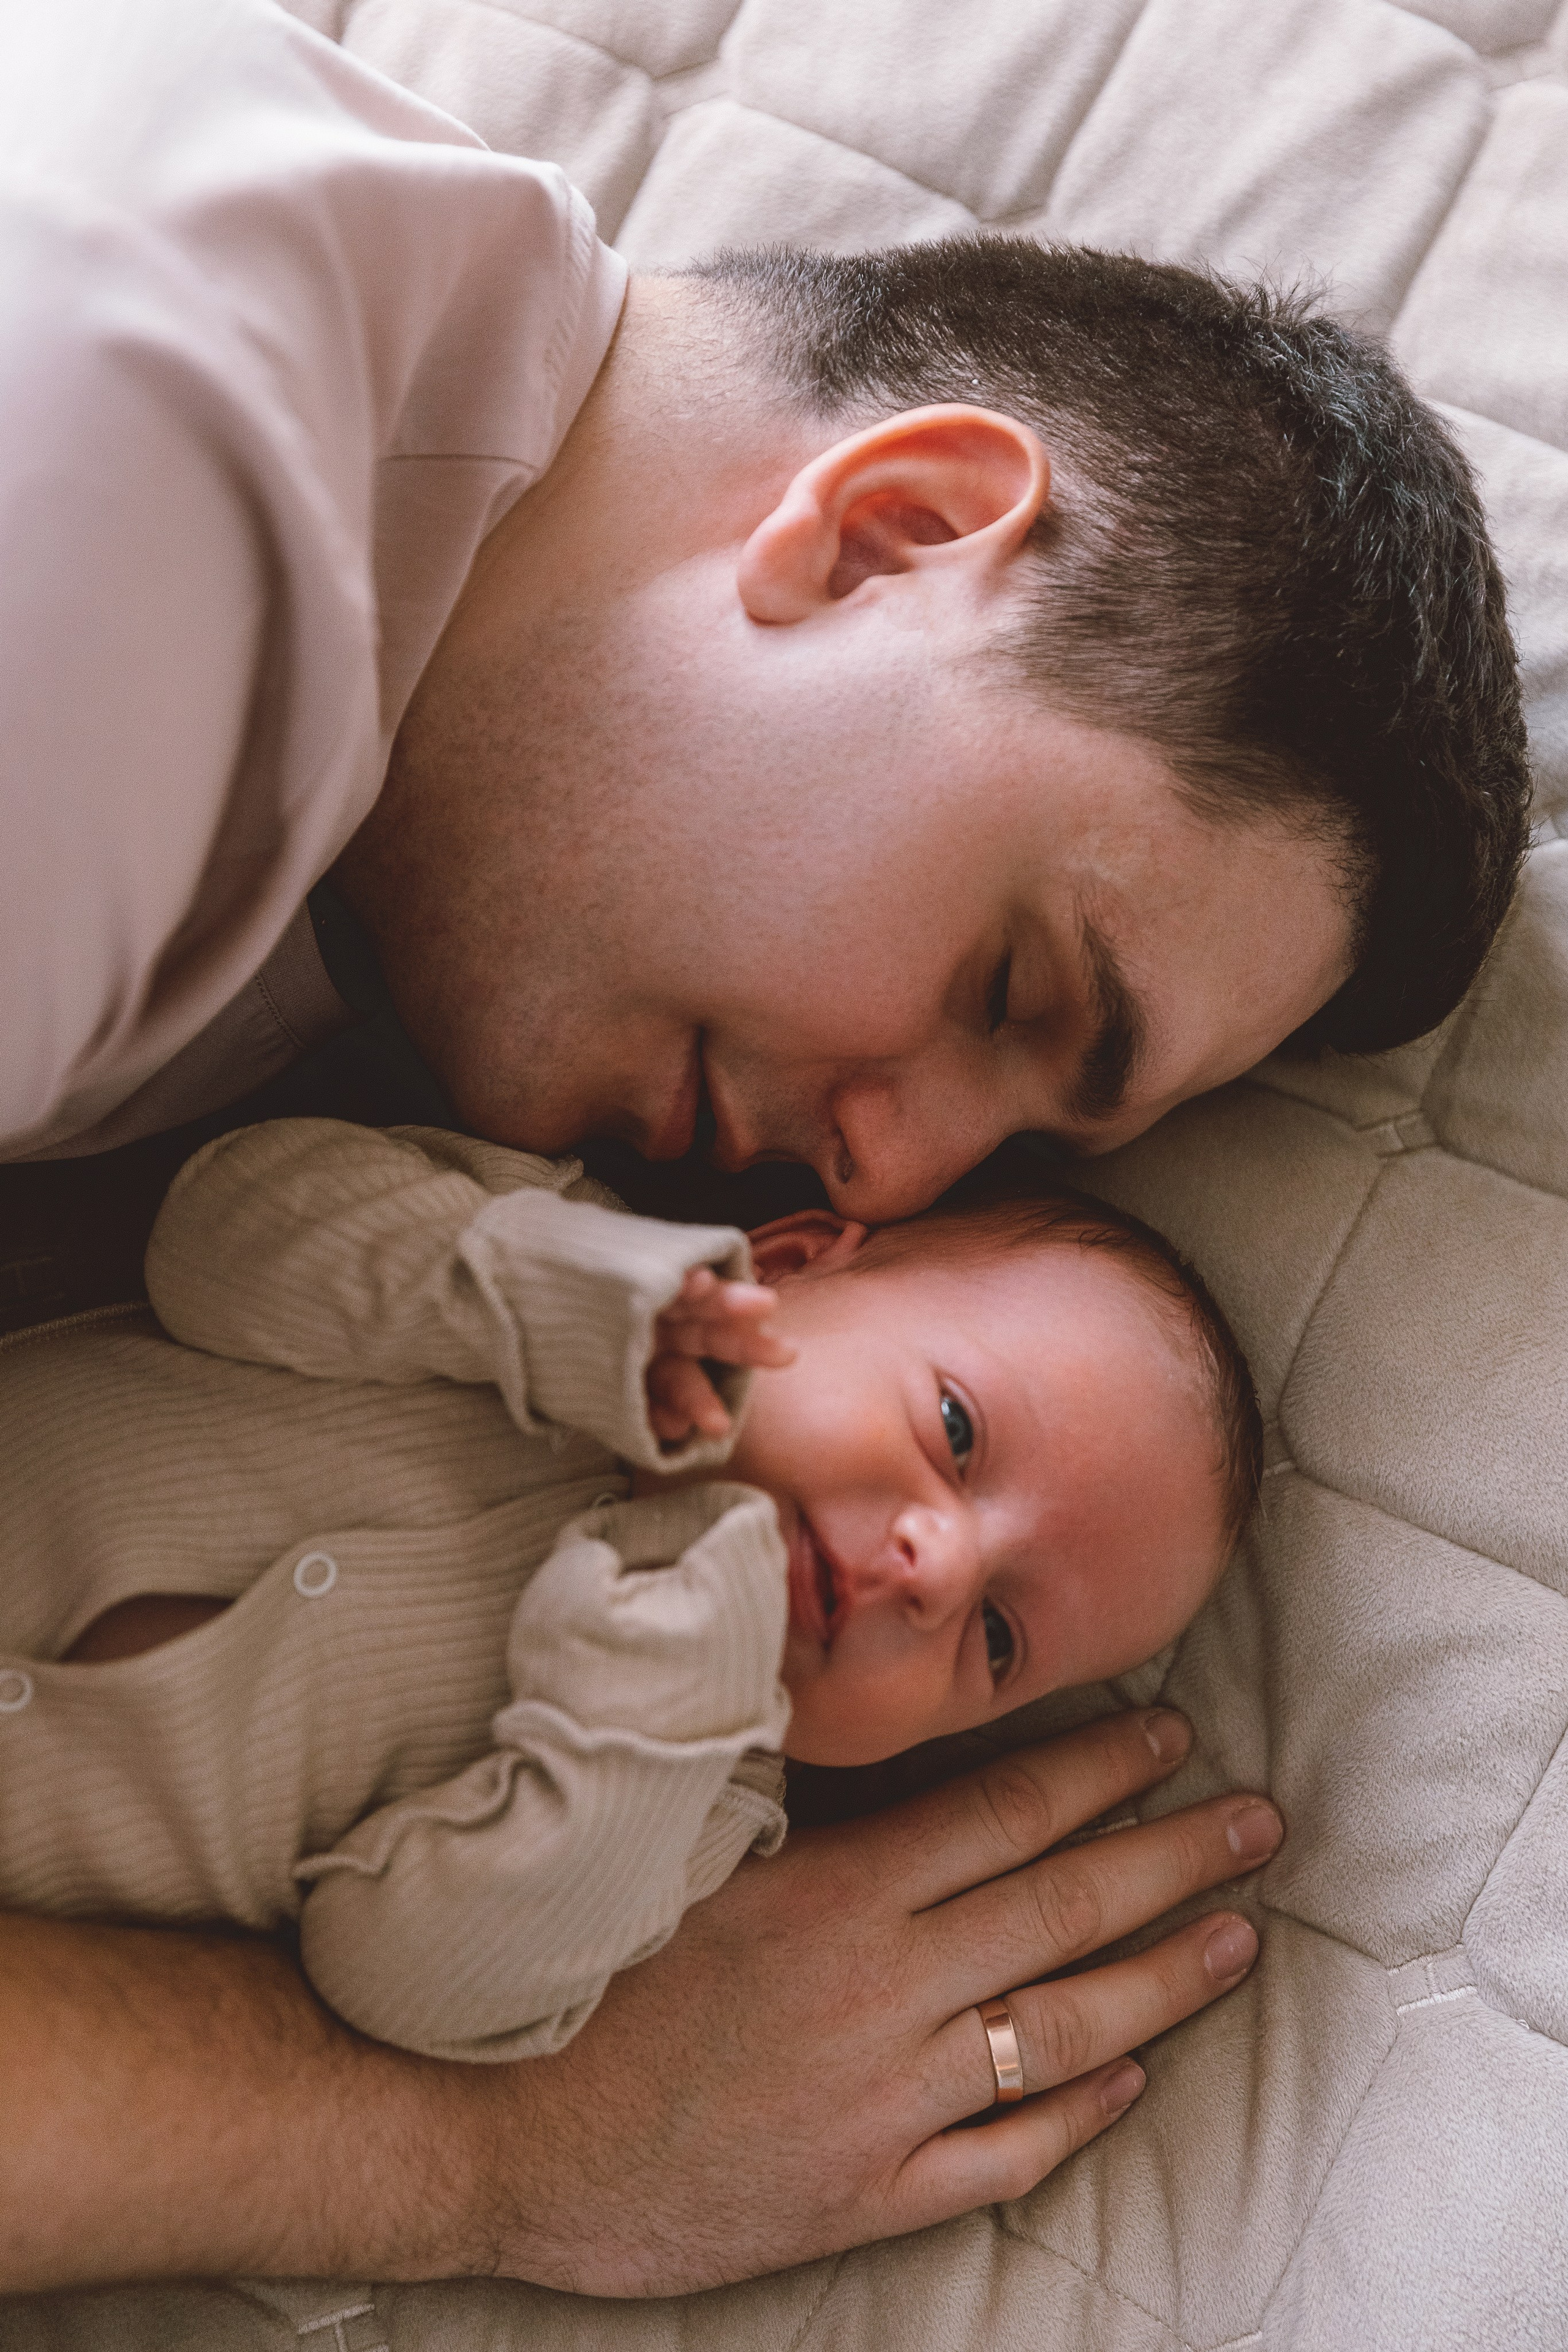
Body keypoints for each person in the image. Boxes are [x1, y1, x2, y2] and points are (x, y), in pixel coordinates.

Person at [0, 0, 1530, 2301]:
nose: (888, 1171)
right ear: (897, 527)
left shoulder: (361, 703)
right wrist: (484, 2163)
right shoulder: (100, 538)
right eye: (1019, 992)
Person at [0, 1117, 1257, 2069]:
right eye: (954, 1427)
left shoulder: (692, 1810)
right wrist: (559, 1297)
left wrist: (647, 1726)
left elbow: (398, 1980)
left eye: (997, 1637)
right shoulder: (556, 1247)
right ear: (787, 1264)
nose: (936, 1571)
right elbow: (213, 1236)